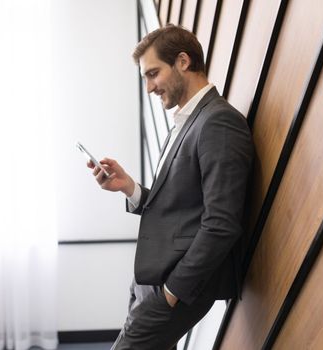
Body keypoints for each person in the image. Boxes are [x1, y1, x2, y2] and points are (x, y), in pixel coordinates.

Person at [88, 24, 254, 350]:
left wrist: (173, 291)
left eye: (153, 74)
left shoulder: (218, 122)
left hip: (174, 286)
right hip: (149, 279)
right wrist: (130, 187)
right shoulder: (188, 119)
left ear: (182, 61)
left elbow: (221, 223)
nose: (149, 87)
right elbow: (182, 206)